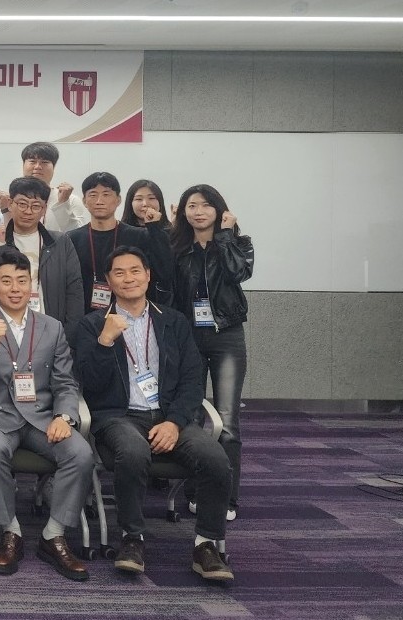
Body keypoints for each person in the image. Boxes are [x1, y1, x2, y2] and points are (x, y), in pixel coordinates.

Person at [73, 246, 234, 582]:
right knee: (133, 452)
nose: (128, 278)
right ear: (109, 281)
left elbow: (192, 379)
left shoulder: (173, 321)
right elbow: (89, 384)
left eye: (135, 271)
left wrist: (174, 422)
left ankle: (207, 544)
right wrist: (105, 341)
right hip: (118, 416)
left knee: (216, 458)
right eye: (119, 273)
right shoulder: (92, 324)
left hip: (169, 415)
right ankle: (132, 538)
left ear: (148, 275)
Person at [0, 250, 92, 581]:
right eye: (6, 281)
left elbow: (65, 382)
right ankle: (11, 531)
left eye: (22, 280)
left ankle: (54, 534)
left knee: (80, 453)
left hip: (41, 417)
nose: (15, 288)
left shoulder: (52, 327)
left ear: (32, 284)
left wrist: (64, 416)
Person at [171, 184, 254, 522]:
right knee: (190, 417)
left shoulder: (238, 243)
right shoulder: (177, 247)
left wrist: (225, 236)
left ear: (219, 210)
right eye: (192, 205)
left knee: (227, 420)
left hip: (226, 337)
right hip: (189, 337)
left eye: (206, 205)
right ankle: (194, 491)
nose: (199, 211)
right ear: (183, 212)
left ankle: (226, 498)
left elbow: (239, 273)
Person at [0, 177, 84, 342]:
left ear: (44, 209)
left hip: (51, 329)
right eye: (22, 204)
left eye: (36, 206)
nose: (28, 211)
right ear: (10, 204)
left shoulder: (60, 242)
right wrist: (0, 245)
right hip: (7, 332)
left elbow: (74, 289)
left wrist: (69, 335)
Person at [66, 172, 175, 313]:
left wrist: (154, 228)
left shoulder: (139, 236)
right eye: (93, 195)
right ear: (84, 201)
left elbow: (164, 272)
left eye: (106, 194)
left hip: (132, 313)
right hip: (85, 316)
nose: (99, 201)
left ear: (118, 200)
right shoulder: (71, 239)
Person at [0, 142, 89, 233]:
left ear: (54, 167)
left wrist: (63, 204)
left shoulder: (70, 200)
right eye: (32, 161)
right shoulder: (6, 200)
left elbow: (78, 236)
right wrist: (5, 209)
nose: (37, 167)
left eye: (44, 162)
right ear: (23, 165)